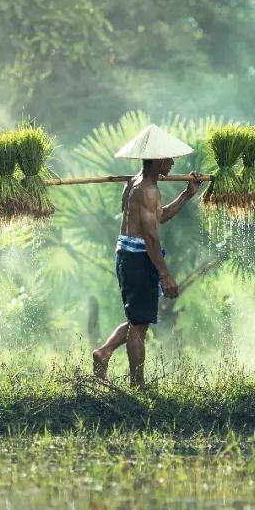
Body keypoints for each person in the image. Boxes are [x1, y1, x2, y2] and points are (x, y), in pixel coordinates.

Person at [92, 124, 202, 388]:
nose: (173, 162)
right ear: (157, 161)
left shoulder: (135, 183)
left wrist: (187, 195)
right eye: (168, 158)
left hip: (128, 254)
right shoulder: (147, 190)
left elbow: (159, 216)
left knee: (136, 319)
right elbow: (151, 237)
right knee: (139, 327)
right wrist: (165, 274)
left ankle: (103, 353)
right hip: (138, 257)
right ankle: (137, 385)